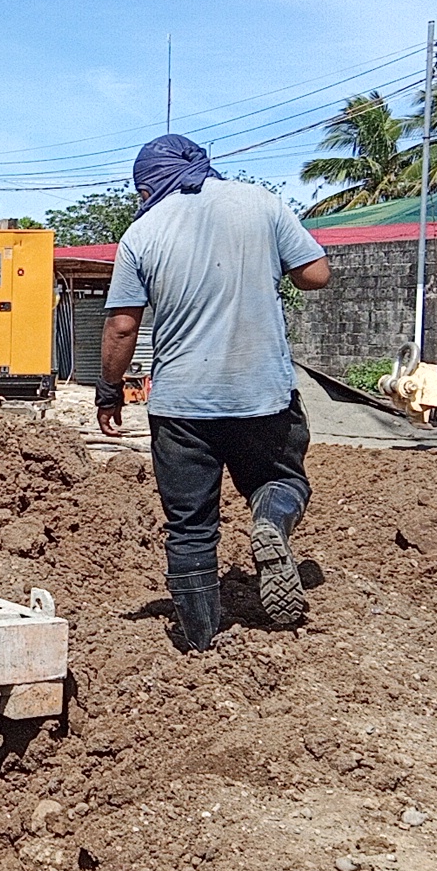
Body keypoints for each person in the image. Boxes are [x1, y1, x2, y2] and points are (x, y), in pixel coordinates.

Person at [96, 135, 331, 651]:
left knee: (190, 526)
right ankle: (270, 520)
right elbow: (316, 275)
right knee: (279, 480)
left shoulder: (141, 233)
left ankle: (200, 640)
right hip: (263, 395)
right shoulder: (263, 204)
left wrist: (109, 390)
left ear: (150, 180)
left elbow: (120, 328)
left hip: (181, 407)